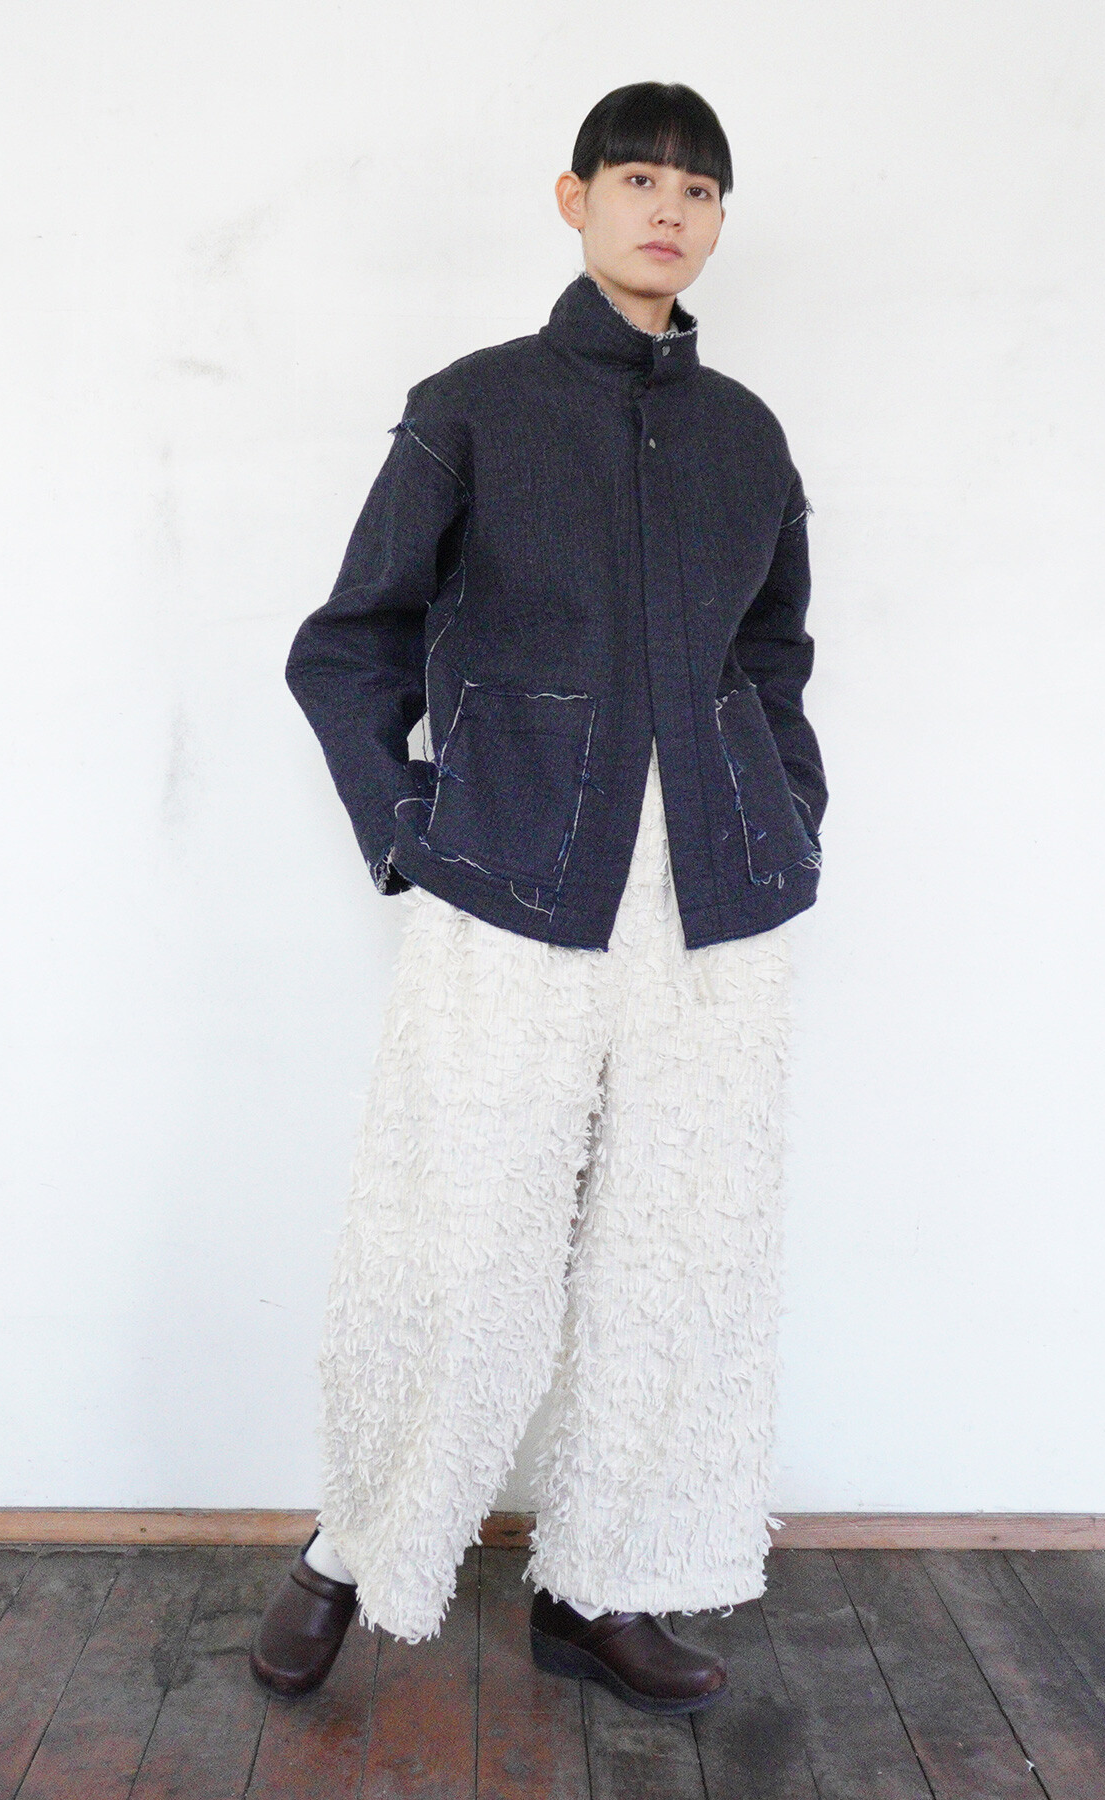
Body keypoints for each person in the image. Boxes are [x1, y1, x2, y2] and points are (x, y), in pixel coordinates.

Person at [250, 80, 826, 1717]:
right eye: (639, 179)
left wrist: (789, 812)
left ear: (719, 222)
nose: (669, 210)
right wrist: (411, 829)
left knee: (682, 1251)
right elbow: (346, 646)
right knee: (458, 1238)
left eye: (698, 191)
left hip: (715, 903)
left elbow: (775, 658)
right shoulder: (474, 408)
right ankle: (351, 1550)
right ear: (574, 199)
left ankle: (606, 1587)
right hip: (509, 881)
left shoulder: (747, 436)